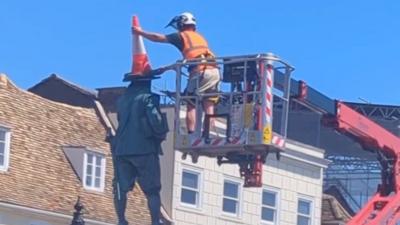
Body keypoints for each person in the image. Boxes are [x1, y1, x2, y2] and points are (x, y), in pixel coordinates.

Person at [132, 12, 220, 134]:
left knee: (190, 102)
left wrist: (140, 32)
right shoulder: (199, 37)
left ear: (181, 23)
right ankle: (209, 134)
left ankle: (191, 134)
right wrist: (167, 68)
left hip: (200, 71)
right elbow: (190, 58)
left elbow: (158, 38)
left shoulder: (182, 36)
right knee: (209, 104)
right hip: (214, 71)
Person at [111, 71, 169, 225]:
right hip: (144, 148)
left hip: (122, 148)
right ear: (145, 82)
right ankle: (155, 221)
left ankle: (121, 219)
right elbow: (155, 122)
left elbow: (120, 120)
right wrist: (161, 130)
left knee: (120, 186)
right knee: (152, 190)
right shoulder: (148, 98)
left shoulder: (121, 100)